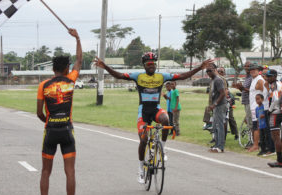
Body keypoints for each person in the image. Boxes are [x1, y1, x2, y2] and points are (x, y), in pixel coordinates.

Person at [94, 53, 212, 183]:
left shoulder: (162, 76)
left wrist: (200, 67)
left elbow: (183, 76)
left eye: (154, 64)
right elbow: (119, 75)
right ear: (144, 66)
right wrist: (105, 66)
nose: (152, 66)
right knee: (143, 140)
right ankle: (140, 170)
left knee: (166, 120)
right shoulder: (138, 76)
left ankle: (163, 147)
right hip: (143, 111)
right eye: (149, 64)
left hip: (155, 109)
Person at [35, 29, 82, 195]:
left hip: (51, 131)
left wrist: (49, 121)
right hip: (67, 130)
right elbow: (80, 59)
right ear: (66, 68)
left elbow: (39, 112)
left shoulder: (44, 85)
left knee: (46, 171)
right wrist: (77, 38)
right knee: (69, 171)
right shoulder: (70, 80)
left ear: (53, 68)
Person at [266, 69, 282, 167]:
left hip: (275, 112)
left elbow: (276, 99)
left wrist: (269, 110)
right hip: (279, 111)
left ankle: (279, 161)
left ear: (274, 76)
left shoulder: (274, 85)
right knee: (276, 136)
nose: (267, 78)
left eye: (269, 76)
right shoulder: (278, 83)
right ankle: (279, 160)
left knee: (276, 137)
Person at [207, 63, 227, 153]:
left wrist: (215, 104)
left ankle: (220, 146)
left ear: (215, 70)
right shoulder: (213, 80)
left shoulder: (218, 80)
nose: (208, 72)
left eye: (210, 70)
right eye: (207, 71)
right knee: (215, 126)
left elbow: (222, 93)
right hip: (216, 105)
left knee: (220, 126)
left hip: (220, 105)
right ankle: (216, 144)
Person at [233, 62, 253, 142]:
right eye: (245, 66)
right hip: (245, 102)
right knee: (248, 121)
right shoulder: (247, 77)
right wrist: (240, 88)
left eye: (248, 66)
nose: (246, 68)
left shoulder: (252, 77)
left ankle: (252, 141)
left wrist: (243, 88)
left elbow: (252, 91)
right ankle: (251, 140)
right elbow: (244, 90)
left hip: (250, 102)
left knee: (250, 122)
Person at [248, 63, 265, 152]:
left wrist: (261, 105)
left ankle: (256, 145)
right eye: (251, 70)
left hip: (258, 107)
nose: (253, 71)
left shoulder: (259, 80)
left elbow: (264, 93)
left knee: (257, 126)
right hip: (253, 107)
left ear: (258, 71)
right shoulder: (253, 79)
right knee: (256, 126)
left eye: (255, 69)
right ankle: (256, 144)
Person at [218, 67, 238, 140]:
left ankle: (236, 133)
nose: (220, 73)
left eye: (221, 72)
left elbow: (226, 91)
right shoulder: (215, 80)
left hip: (227, 101)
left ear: (224, 73)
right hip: (218, 102)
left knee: (230, 118)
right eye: (219, 71)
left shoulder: (224, 80)